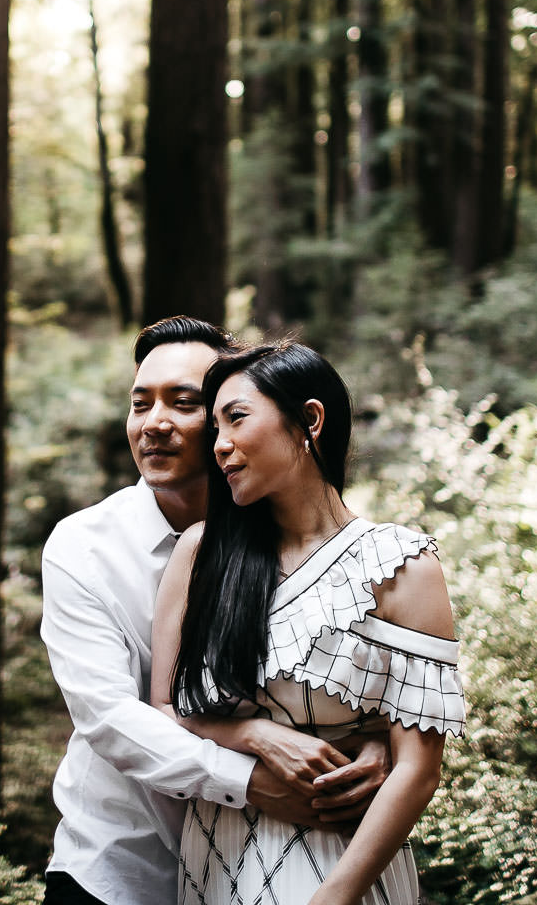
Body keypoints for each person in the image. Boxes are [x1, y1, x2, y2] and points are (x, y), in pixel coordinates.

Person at [40, 318, 391, 905]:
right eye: (139, 403)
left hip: (268, 866)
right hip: (121, 867)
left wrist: (374, 745)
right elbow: (108, 716)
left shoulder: (299, 545)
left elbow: (337, 682)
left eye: (184, 403)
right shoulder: (84, 546)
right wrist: (251, 778)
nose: (154, 423)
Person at [150, 341, 465, 905]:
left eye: (236, 419)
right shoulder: (202, 553)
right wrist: (254, 735)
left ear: (309, 421)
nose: (218, 446)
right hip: (213, 855)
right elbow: (165, 714)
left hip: (339, 862)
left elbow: (417, 770)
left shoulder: (400, 565)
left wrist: (335, 897)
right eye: (214, 427)